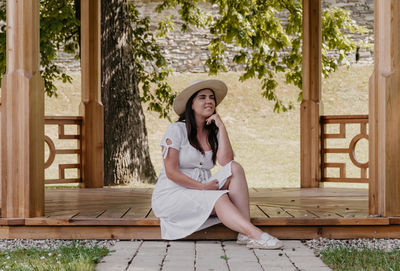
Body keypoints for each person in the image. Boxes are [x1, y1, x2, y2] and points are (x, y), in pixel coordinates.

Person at [151, 79, 283, 249]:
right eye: (202, 97)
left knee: (235, 168)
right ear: (191, 104)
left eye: (211, 97)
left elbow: (226, 162)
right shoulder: (176, 129)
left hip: (203, 187)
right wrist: (202, 188)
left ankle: (244, 233)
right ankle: (256, 234)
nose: (209, 101)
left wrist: (221, 127)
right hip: (173, 194)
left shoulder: (212, 131)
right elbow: (171, 172)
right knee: (218, 197)